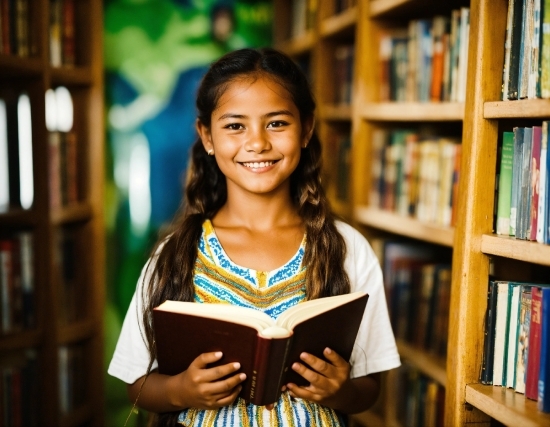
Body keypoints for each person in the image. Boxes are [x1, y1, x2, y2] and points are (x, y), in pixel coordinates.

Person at [108, 47, 401, 426]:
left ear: (306, 129)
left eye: (277, 123)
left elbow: (368, 387)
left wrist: (339, 391)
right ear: (207, 136)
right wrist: (182, 390)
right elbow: (138, 382)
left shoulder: (345, 248)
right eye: (234, 126)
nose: (258, 143)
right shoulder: (175, 254)